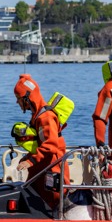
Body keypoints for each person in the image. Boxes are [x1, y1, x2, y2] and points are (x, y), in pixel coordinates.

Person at [13, 74, 70, 209]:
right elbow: (40, 144)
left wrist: (30, 161)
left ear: (27, 98)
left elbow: (50, 146)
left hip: (52, 166)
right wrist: (28, 158)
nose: (17, 102)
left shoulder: (46, 118)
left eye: (18, 99)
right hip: (41, 167)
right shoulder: (37, 116)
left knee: (53, 203)